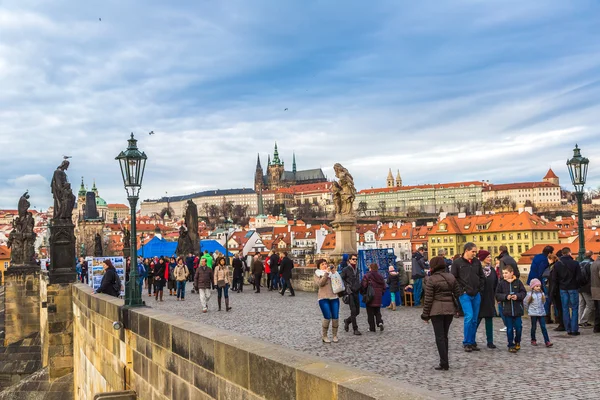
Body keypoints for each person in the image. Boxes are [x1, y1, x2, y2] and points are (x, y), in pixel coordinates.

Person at [421, 256, 461, 371]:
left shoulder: (431, 280)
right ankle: (445, 361)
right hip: (449, 310)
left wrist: (425, 315)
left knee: (439, 337)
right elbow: (458, 293)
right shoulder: (451, 277)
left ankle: (444, 362)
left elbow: (428, 300)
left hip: (436, 311)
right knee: (445, 335)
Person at [451, 242, 484, 352]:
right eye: (473, 251)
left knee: (474, 319)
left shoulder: (477, 262)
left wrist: (480, 289)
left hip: (476, 294)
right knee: (469, 316)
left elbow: (481, 276)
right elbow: (453, 279)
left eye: (475, 251)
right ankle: (466, 342)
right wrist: (461, 291)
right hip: (465, 294)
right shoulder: (457, 263)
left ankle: (472, 341)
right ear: (466, 251)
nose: (475, 253)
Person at [495, 265, 526, 353]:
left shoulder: (518, 282)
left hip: (517, 309)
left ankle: (517, 341)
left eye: (506, 273)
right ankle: (510, 344)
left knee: (519, 328)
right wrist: (505, 296)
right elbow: (497, 295)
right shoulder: (501, 283)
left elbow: (523, 292)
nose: (504, 275)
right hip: (507, 310)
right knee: (509, 329)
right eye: (503, 273)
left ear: (511, 273)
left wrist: (517, 296)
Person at [554, 247, 583, 335]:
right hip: (573, 288)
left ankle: (568, 329)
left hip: (562, 288)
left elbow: (555, 278)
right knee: (574, 308)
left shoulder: (557, 264)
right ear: (570, 253)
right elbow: (579, 277)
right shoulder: (575, 263)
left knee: (565, 308)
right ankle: (574, 329)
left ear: (562, 254)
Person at [314, 259, 340, 343]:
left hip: (334, 297)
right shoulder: (317, 274)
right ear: (319, 267)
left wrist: (335, 273)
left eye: (325, 264)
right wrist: (326, 274)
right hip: (323, 298)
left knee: (335, 317)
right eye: (322, 264)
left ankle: (335, 335)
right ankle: (324, 336)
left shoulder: (332, 273)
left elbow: (339, 282)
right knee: (327, 317)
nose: (325, 265)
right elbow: (320, 284)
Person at [476, 250, 498, 349]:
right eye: (488, 257)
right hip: (479, 298)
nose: (490, 258)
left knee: (489, 321)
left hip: (489, 298)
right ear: (482, 258)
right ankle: (471, 340)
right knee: (476, 321)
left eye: (490, 256)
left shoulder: (492, 271)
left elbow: (496, 284)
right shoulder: (477, 270)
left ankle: (490, 341)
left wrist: (496, 296)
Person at [525, 278, 553, 347]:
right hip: (533, 313)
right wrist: (529, 310)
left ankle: (547, 341)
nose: (538, 287)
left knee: (543, 327)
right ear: (533, 287)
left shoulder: (542, 294)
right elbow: (525, 303)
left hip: (541, 313)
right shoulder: (529, 295)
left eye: (539, 286)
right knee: (534, 327)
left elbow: (543, 302)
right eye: (536, 286)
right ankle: (533, 339)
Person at [341, 254, 361, 335]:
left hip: (356, 291)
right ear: (349, 260)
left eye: (356, 259)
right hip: (350, 292)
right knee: (353, 310)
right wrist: (346, 287)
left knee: (357, 311)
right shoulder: (346, 269)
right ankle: (355, 329)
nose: (355, 260)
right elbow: (341, 278)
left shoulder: (357, 269)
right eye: (353, 259)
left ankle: (347, 321)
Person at [361, 263, 386, 332]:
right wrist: (381, 293)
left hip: (370, 296)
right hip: (378, 297)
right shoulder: (380, 276)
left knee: (370, 313)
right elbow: (384, 286)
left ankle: (372, 328)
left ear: (371, 268)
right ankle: (380, 322)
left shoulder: (367, 275)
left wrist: (364, 292)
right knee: (377, 311)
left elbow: (364, 285)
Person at [547, 253, 565, 331]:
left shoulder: (553, 267)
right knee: (560, 307)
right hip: (559, 289)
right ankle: (563, 323)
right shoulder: (559, 265)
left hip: (556, 290)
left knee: (559, 307)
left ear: (551, 259)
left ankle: (562, 324)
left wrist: (551, 292)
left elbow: (553, 280)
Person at [578, 250, 595, 328]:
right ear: (591, 255)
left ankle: (579, 321)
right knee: (590, 305)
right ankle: (583, 321)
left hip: (579, 286)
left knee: (581, 304)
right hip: (587, 287)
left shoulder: (579, 263)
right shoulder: (591, 264)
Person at [590, 257, 600, 333]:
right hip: (598, 289)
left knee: (597, 309)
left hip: (594, 289)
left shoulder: (594, 263)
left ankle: (596, 327)